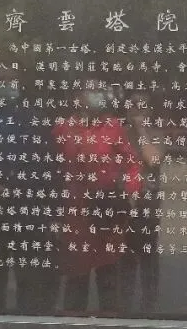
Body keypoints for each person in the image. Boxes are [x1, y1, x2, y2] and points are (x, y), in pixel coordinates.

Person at [0, 64, 61, 315]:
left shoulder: (35, 118)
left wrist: (54, 212)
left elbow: (51, 166)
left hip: (29, 208)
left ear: (19, 83)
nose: (6, 84)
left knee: (29, 278)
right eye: (0, 79)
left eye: (10, 79)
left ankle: (25, 327)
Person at [53, 85, 143, 315]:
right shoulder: (63, 128)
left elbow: (132, 164)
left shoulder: (112, 127)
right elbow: (49, 168)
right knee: (76, 279)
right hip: (75, 214)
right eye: (91, 91)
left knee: (109, 277)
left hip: (107, 211)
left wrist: (130, 192)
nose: (97, 96)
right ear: (78, 97)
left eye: (99, 91)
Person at [120, 91, 164, 313]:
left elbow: (153, 159)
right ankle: (124, 307)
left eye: (143, 107)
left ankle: (149, 307)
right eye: (134, 107)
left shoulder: (155, 134)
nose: (138, 111)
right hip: (122, 205)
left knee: (148, 258)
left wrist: (141, 131)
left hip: (147, 205)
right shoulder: (119, 134)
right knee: (124, 260)